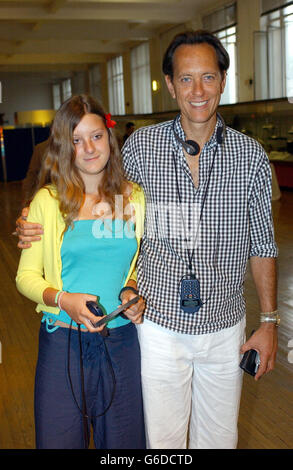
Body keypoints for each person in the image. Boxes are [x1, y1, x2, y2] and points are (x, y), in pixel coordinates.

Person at [16, 31, 279, 450]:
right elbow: (95, 192)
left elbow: (263, 243)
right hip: (157, 327)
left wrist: (268, 322)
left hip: (224, 325)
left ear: (224, 81)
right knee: (160, 445)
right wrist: (34, 216)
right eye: (186, 79)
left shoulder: (251, 157)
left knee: (219, 440)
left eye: (208, 77)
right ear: (171, 84)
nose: (198, 90)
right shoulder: (142, 146)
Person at [15, 94, 146, 449]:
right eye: (76, 140)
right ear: (64, 147)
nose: (89, 148)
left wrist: (130, 291)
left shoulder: (133, 198)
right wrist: (63, 300)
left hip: (120, 343)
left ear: (109, 138)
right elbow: (25, 278)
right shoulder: (48, 202)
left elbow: (134, 264)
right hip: (63, 344)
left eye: (96, 136)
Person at [22, 138, 49, 206]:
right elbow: (32, 174)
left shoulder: (73, 147)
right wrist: (27, 198)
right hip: (46, 196)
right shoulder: (41, 148)